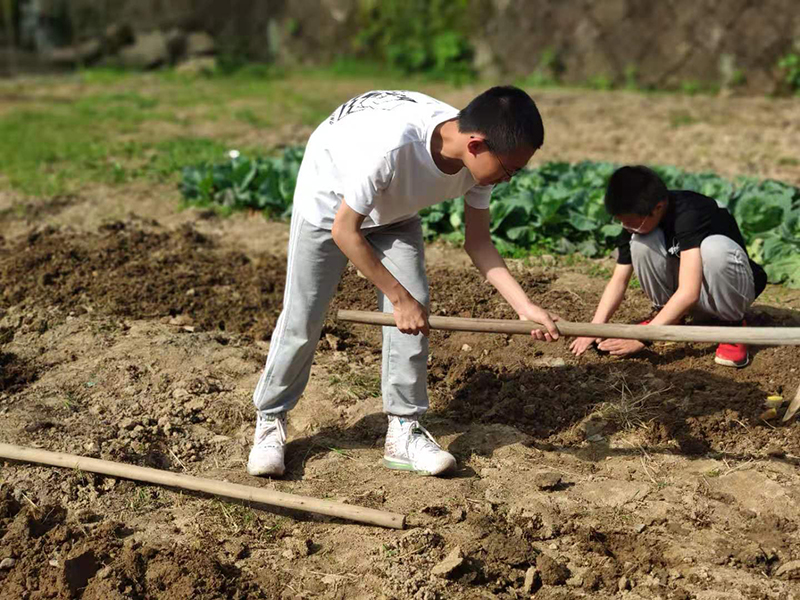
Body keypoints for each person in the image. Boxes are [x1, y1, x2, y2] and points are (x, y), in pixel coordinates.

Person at [248, 87, 560, 478]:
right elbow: (346, 232)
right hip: (330, 207)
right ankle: (270, 418)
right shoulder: (391, 148)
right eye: (509, 170)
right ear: (477, 145)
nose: (509, 178)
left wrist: (524, 306)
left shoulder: (480, 160)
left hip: (395, 212)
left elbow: (478, 242)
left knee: (417, 307)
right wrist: (398, 299)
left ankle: (404, 430)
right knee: (304, 318)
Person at [569, 165, 767, 367]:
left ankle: (732, 326)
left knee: (714, 249)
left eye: (629, 220)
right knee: (640, 242)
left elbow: (689, 292)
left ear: (658, 208)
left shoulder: (691, 212)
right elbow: (618, 281)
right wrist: (594, 328)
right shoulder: (636, 223)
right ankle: (669, 316)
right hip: (692, 293)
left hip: (727, 292)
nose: (625, 226)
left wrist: (643, 337)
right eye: (621, 220)